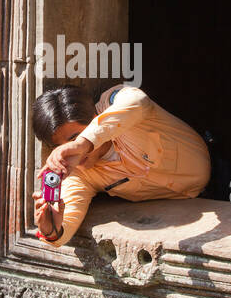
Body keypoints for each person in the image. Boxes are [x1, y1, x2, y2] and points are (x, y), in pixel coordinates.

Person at [31, 84, 210, 247]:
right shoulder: (79, 174)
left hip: (222, 173)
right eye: (60, 147)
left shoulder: (116, 107)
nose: (69, 152)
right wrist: (52, 231)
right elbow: (66, 222)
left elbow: (138, 101)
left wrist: (84, 143)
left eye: (73, 139)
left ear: (95, 118)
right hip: (193, 204)